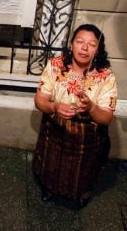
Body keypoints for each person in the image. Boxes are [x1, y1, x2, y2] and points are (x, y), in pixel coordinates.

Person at [32, 24, 117, 208]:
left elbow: (106, 118)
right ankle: (49, 188)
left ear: (98, 49)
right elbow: (39, 100)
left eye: (92, 44)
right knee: (52, 163)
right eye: (80, 42)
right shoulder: (56, 65)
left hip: (87, 135)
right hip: (56, 127)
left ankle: (79, 195)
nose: (84, 48)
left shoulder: (105, 76)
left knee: (82, 171)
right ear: (71, 45)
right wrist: (53, 106)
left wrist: (91, 108)